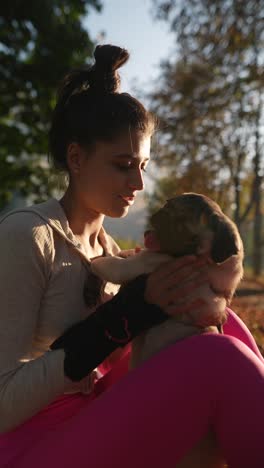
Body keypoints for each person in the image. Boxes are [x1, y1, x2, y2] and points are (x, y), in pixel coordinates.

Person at [0, 44, 264, 468]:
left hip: (92, 418)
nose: (138, 182)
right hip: (29, 443)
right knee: (222, 361)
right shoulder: (27, 236)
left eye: (143, 165)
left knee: (221, 323)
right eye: (124, 165)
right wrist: (127, 313)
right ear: (76, 157)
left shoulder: (110, 250)